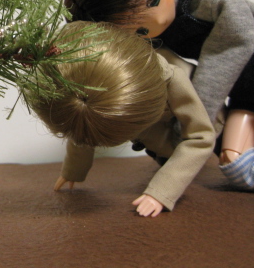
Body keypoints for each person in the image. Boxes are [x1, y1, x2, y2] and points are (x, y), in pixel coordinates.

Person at [65, 0, 254, 190]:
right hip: (243, 90)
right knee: (238, 169)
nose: (158, 20)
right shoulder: (137, 24)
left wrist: (197, 115)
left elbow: (228, 52)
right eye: (141, 30)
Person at [22, 22, 215, 217]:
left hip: (187, 140)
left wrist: (162, 191)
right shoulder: (89, 82)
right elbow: (84, 125)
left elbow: (201, 137)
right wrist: (74, 170)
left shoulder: (173, 78)